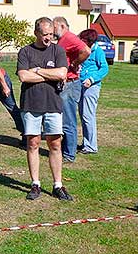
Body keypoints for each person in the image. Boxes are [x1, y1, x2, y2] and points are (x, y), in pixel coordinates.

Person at [17, 17, 72, 201]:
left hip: (53, 104)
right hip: (31, 104)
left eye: (51, 34)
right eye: (44, 34)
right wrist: (50, 75)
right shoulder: (25, 52)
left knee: (55, 144)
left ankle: (58, 185)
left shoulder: (58, 50)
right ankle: (35, 184)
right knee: (33, 143)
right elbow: (24, 77)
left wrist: (38, 71)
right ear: (36, 33)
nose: (48, 38)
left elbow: (62, 73)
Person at [53, 17, 91, 163]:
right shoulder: (64, 39)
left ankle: (69, 154)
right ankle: (65, 150)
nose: (53, 31)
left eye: (54, 27)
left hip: (70, 83)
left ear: (62, 26)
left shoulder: (69, 37)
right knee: (64, 119)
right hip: (65, 83)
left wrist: (74, 63)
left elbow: (86, 50)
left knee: (68, 120)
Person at [77, 29, 109, 154]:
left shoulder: (98, 51)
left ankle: (91, 147)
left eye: (83, 39)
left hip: (92, 87)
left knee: (88, 115)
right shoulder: (84, 49)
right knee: (82, 115)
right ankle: (86, 143)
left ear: (89, 40)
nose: (81, 41)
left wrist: (92, 79)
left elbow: (104, 68)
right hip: (80, 84)